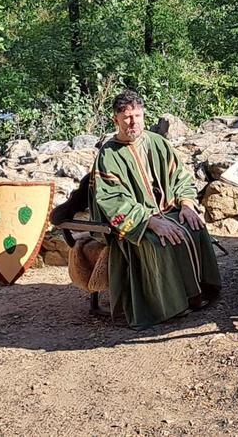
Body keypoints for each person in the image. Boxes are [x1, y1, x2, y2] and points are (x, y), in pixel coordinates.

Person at [90, 90, 221, 329]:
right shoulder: (108, 156)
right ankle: (169, 306)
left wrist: (188, 205)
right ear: (115, 120)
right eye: (127, 117)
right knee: (161, 241)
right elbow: (112, 200)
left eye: (138, 115)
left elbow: (180, 178)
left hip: (168, 209)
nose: (133, 122)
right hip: (134, 223)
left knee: (194, 226)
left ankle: (201, 291)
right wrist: (149, 221)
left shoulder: (158, 142)